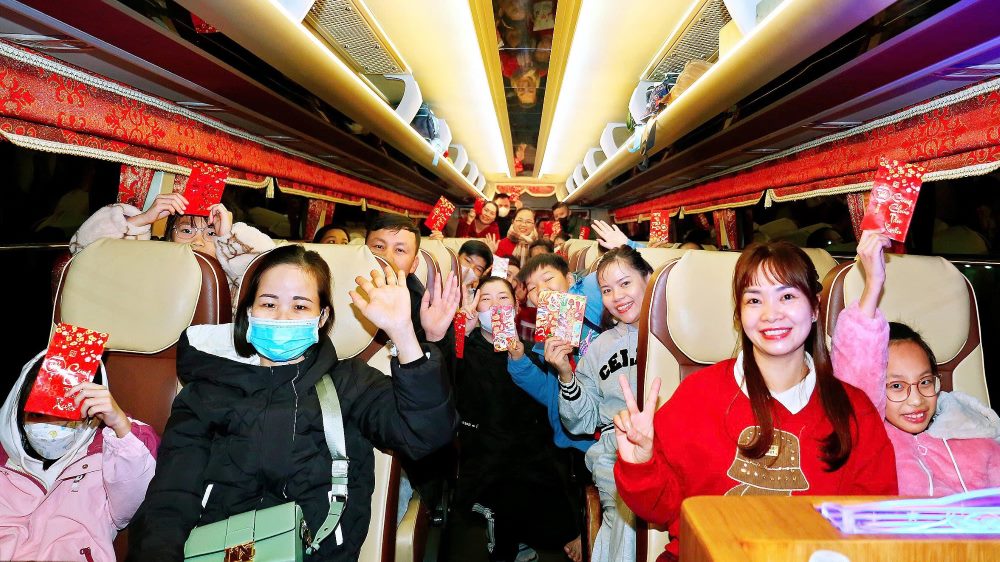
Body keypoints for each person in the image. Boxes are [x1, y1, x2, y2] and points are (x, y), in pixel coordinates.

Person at [126, 244, 457, 561]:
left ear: (322, 317)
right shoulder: (205, 391)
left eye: (300, 306)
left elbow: (426, 435)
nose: (283, 317)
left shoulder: (351, 383)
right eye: (269, 304)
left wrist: (404, 335)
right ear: (249, 313)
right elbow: (171, 496)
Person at [613, 241, 898, 559]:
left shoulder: (853, 410)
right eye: (754, 299)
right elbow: (661, 508)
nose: (771, 314)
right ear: (739, 314)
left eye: (787, 296)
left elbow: (873, 521)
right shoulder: (698, 396)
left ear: (815, 307)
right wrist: (640, 462)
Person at [833, 230, 1000, 496]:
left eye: (924, 382)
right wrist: (873, 283)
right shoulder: (872, 440)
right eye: (897, 386)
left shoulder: (977, 436)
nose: (916, 400)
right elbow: (858, 379)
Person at [455, 277, 581, 562]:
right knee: (506, 486)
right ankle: (505, 546)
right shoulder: (464, 348)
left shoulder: (532, 351)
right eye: (486, 299)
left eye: (503, 298)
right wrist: (463, 329)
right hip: (484, 450)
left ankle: (513, 539)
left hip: (530, 451)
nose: (495, 306)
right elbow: (444, 373)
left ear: (515, 306)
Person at [1, 350, 158, 562]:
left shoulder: (106, 457)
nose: (52, 430)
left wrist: (120, 426)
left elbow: (131, 504)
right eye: (37, 415)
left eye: (66, 418)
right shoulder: (4, 461)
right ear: (18, 413)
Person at [556, 247, 653, 562]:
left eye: (625, 284)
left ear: (649, 279)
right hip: (616, 452)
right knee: (627, 521)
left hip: (672, 447)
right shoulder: (599, 347)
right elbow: (580, 422)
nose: (617, 296)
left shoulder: (679, 333)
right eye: (607, 290)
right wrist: (566, 375)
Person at [70, 193, 276, 299]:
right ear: (170, 238)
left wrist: (229, 237)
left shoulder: (235, 282)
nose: (198, 241)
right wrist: (142, 220)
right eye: (186, 231)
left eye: (211, 233)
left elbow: (270, 274)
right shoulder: (149, 270)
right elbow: (84, 256)